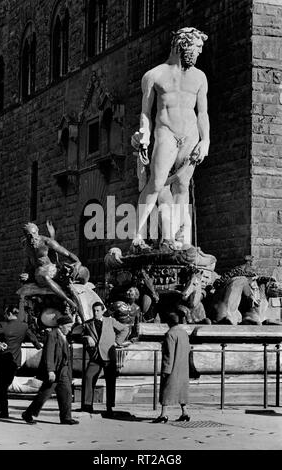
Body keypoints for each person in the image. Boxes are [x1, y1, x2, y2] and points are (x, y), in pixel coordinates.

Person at [131, 27, 209, 251]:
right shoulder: (154, 75)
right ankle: (136, 236)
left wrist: (205, 142)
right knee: (155, 183)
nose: (199, 53)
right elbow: (146, 113)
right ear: (182, 45)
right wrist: (144, 134)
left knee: (182, 186)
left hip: (191, 136)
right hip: (166, 132)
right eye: (197, 48)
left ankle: (180, 239)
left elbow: (202, 113)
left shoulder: (199, 77)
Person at [21, 314, 79, 425]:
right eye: (68, 326)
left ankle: (66, 417)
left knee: (66, 393)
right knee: (44, 394)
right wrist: (50, 370)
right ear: (61, 326)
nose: (70, 329)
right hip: (55, 371)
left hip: (64, 371)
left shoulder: (65, 336)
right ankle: (28, 413)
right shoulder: (52, 335)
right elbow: (49, 353)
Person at [20, 222, 85, 311]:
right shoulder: (26, 245)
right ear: (25, 236)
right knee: (35, 279)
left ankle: (73, 306)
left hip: (52, 272)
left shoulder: (47, 242)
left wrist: (77, 263)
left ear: (37, 231)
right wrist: (26, 273)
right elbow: (29, 263)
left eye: (34, 234)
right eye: (29, 236)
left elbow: (68, 254)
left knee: (70, 288)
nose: (32, 238)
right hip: (38, 275)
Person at [82, 301, 128, 417]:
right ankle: (88, 405)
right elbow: (79, 334)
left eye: (98, 310)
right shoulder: (88, 324)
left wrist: (117, 342)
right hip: (96, 356)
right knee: (88, 376)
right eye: (94, 311)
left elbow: (125, 329)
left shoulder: (110, 321)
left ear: (103, 311)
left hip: (109, 355)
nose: (95, 313)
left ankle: (109, 407)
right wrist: (87, 337)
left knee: (110, 381)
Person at [0, 306, 42, 418]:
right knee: (3, 386)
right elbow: (33, 339)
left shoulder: (3, 325)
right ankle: (3, 411)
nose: (5, 316)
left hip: (2, 361)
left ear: (9, 313)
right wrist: (38, 346)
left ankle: (1, 410)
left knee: (0, 386)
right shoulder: (24, 326)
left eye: (6, 313)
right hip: (15, 362)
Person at [153, 312, 191, 423]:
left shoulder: (170, 334)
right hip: (183, 367)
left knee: (166, 391)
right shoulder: (184, 333)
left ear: (169, 322)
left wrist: (166, 369)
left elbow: (169, 354)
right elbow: (188, 349)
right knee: (182, 391)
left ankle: (163, 415)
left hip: (173, 367)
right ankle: (185, 413)